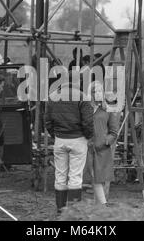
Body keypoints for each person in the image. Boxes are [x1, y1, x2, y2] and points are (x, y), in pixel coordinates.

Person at [44, 82, 94, 213]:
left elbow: (47, 120)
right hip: (78, 139)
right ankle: (73, 211)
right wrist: (88, 136)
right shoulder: (82, 97)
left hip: (60, 139)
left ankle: (60, 210)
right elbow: (88, 122)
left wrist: (55, 135)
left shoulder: (52, 96)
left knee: (60, 175)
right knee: (75, 176)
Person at [86, 82, 121, 205]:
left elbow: (114, 132)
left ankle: (102, 206)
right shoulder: (86, 109)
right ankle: (100, 206)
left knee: (98, 179)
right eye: (96, 91)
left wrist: (106, 141)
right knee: (92, 178)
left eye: (101, 91)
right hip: (87, 148)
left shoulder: (107, 110)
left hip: (102, 150)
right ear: (91, 93)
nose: (99, 94)